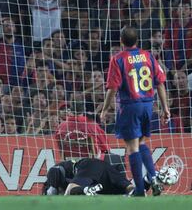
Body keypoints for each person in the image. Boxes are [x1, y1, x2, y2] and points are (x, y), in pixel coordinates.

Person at [100, 26, 170, 196]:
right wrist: (165, 108)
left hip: (130, 105)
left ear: (121, 41)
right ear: (137, 41)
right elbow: (160, 83)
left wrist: (104, 109)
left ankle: (139, 190)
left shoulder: (117, 59)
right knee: (142, 142)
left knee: (132, 148)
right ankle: (153, 178)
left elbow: (112, 89)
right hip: (148, 104)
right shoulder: (148, 56)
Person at [42, 158, 134, 196]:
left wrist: (51, 190)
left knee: (70, 192)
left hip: (89, 166)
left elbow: (55, 170)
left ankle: (86, 189)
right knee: (128, 188)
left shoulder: (55, 172)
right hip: (105, 171)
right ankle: (146, 180)